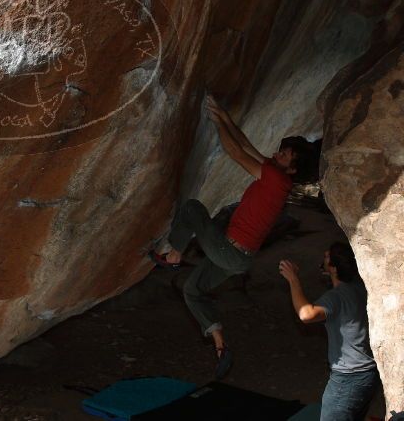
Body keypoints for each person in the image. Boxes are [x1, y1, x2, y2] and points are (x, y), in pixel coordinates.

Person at [152, 94, 311, 379]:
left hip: (229, 250)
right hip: (238, 260)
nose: (280, 153)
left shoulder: (277, 180)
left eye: (286, 155)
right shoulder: (276, 173)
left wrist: (217, 126)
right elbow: (247, 145)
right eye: (283, 150)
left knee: (193, 208)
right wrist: (225, 118)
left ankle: (174, 256)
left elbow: (237, 154)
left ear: (293, 169)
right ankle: (221, 346)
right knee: (192, 289)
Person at [279, 242, 379, 421]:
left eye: (326, 257)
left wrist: (293, 279)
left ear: (334, 268)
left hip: (347, 379)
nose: (323, 259)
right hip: (369, 375)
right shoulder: (361, 288)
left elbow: (306, 314)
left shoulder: (336, 297)